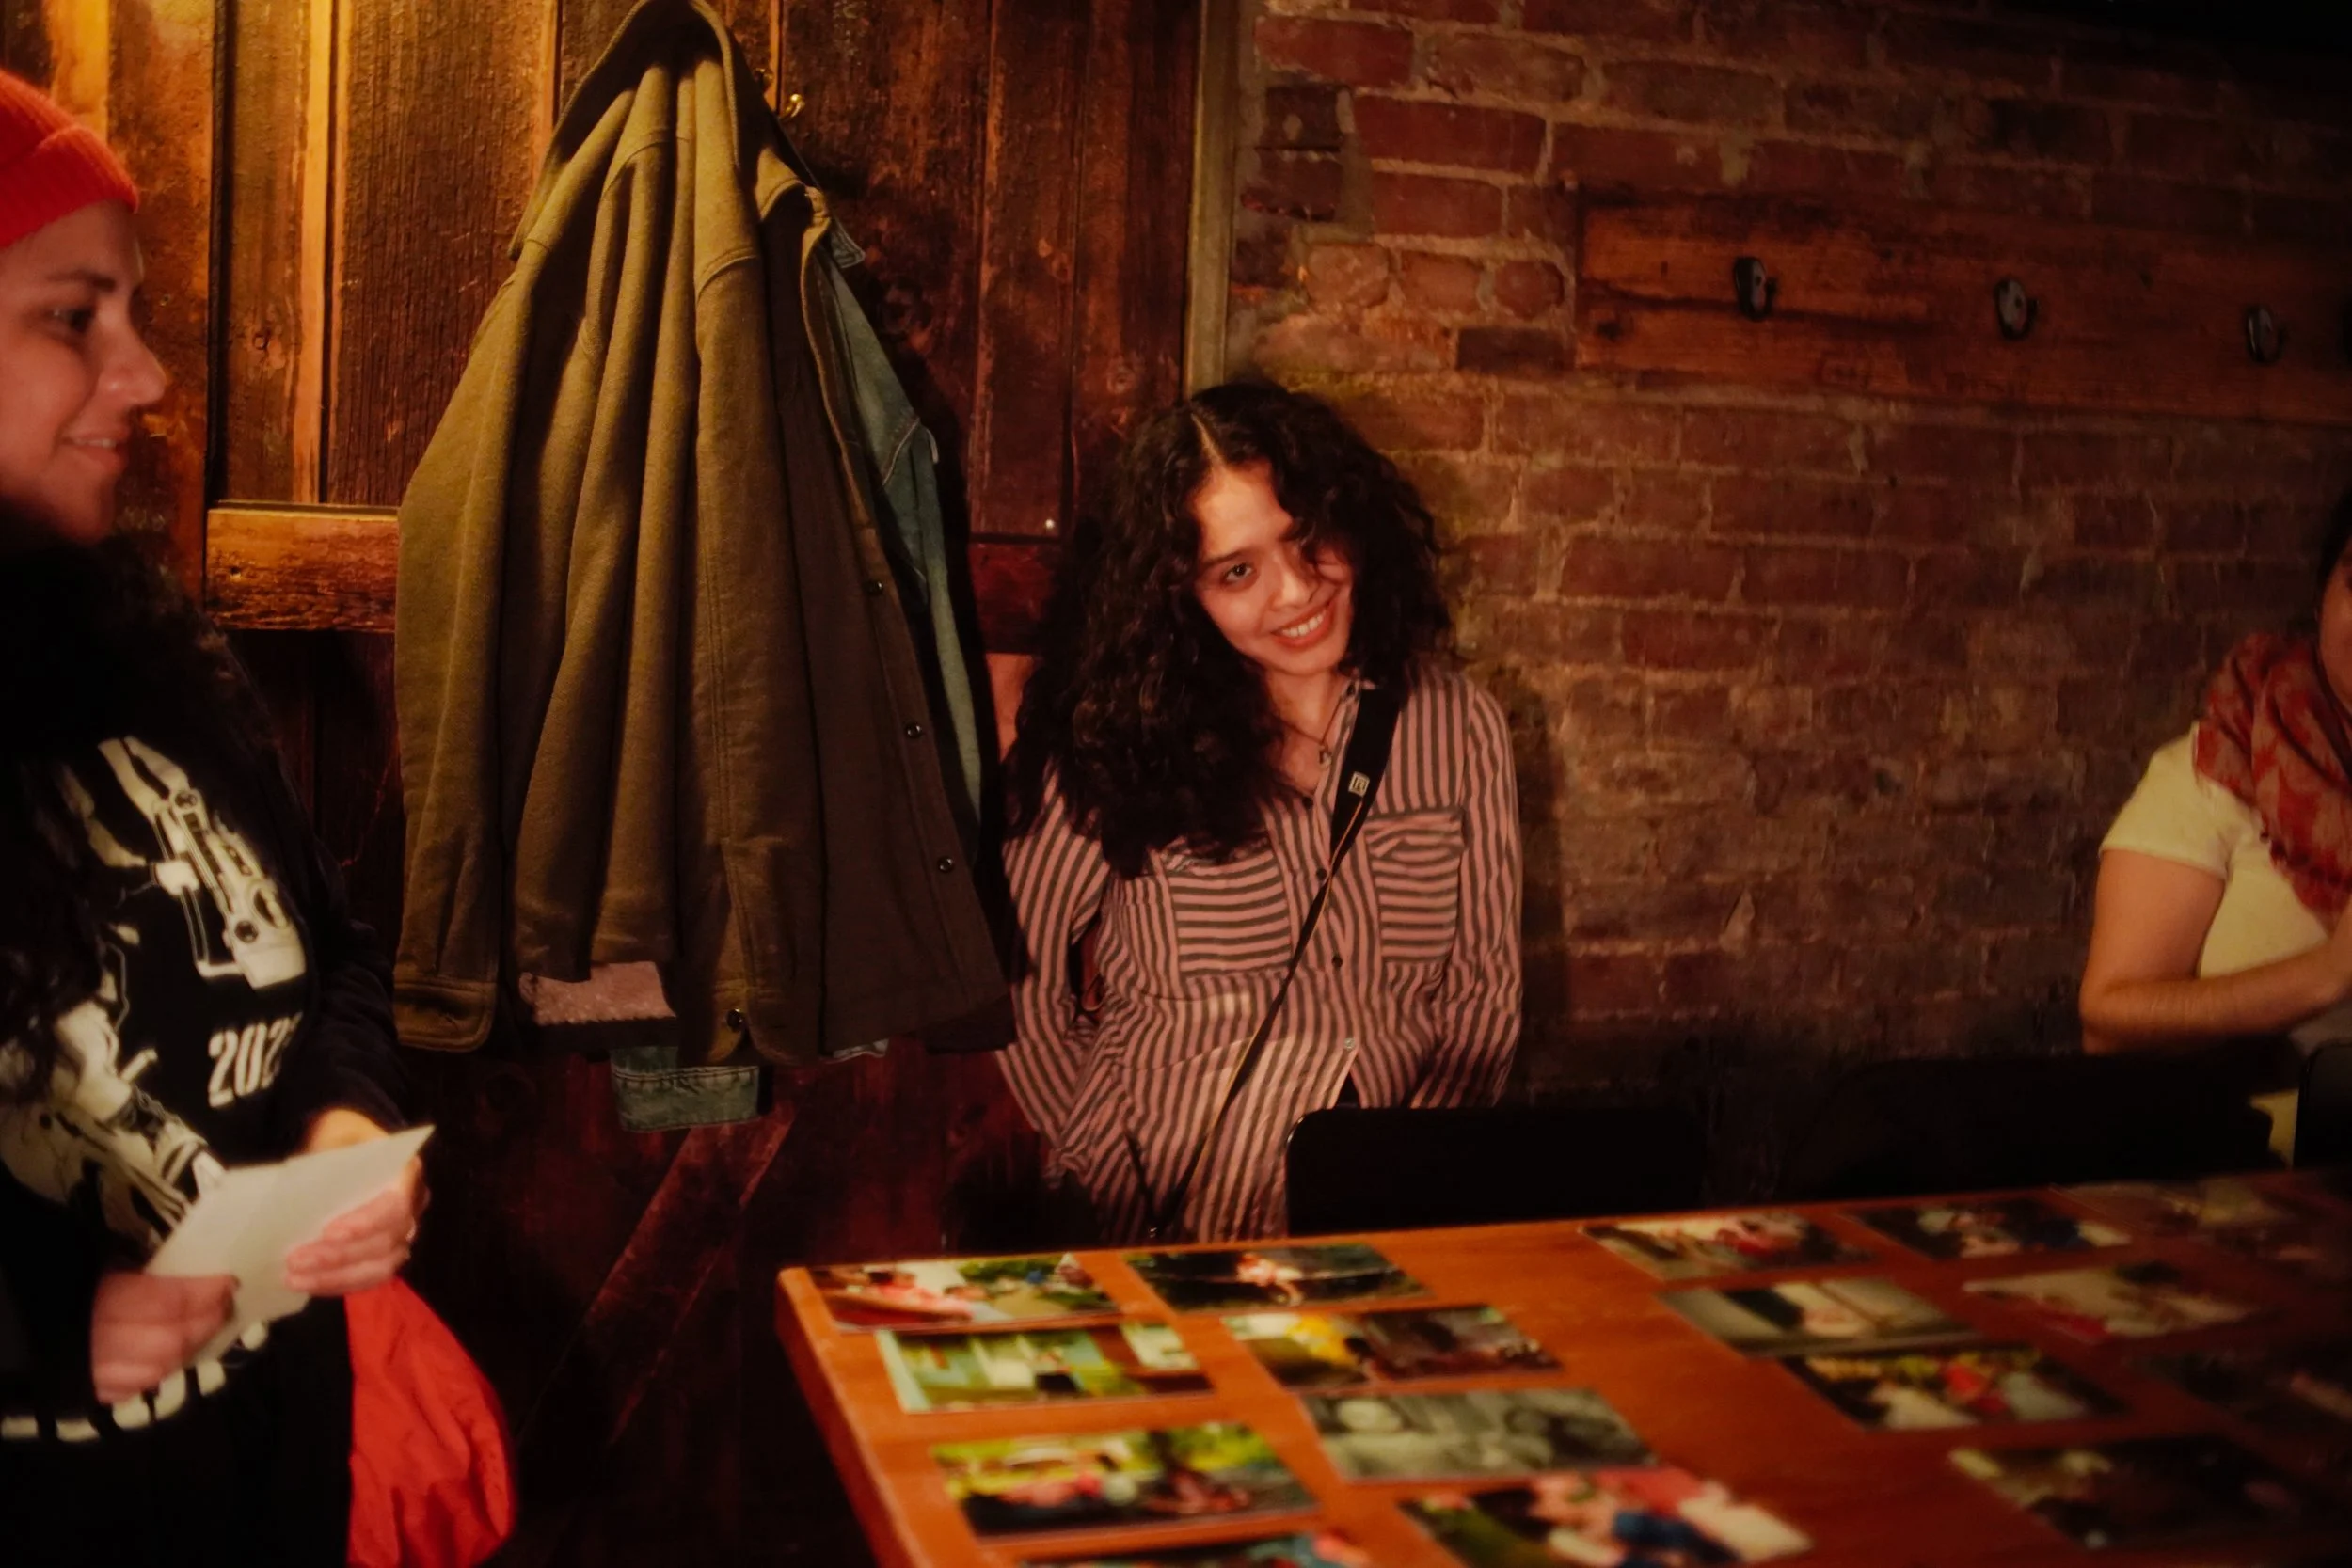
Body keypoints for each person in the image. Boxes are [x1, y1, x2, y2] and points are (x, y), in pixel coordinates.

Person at [0, 71, 419, 1565]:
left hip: (264, 1474)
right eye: (73, 316)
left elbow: (338, 958)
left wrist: (345, 1122)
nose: (147, 372)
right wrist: (53, 1323)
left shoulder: (152, 652)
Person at [999, 381, 1521, 1241]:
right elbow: (1018, 987)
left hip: (1378, 1229)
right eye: (1237, 572)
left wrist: (1405, 1181)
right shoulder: (1112, 737)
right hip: (1159, 1222)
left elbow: (1483, 1005)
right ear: (1178, 597)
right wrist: (1105, 1154)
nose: (1294, 593)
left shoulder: (1461, 725)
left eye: (1306, 539)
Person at [2080, 490, 2352, 1153]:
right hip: (2248, 1178)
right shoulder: (2228, 763)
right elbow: (2107, 1019)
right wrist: (2328, 973)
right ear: (2324, 599)